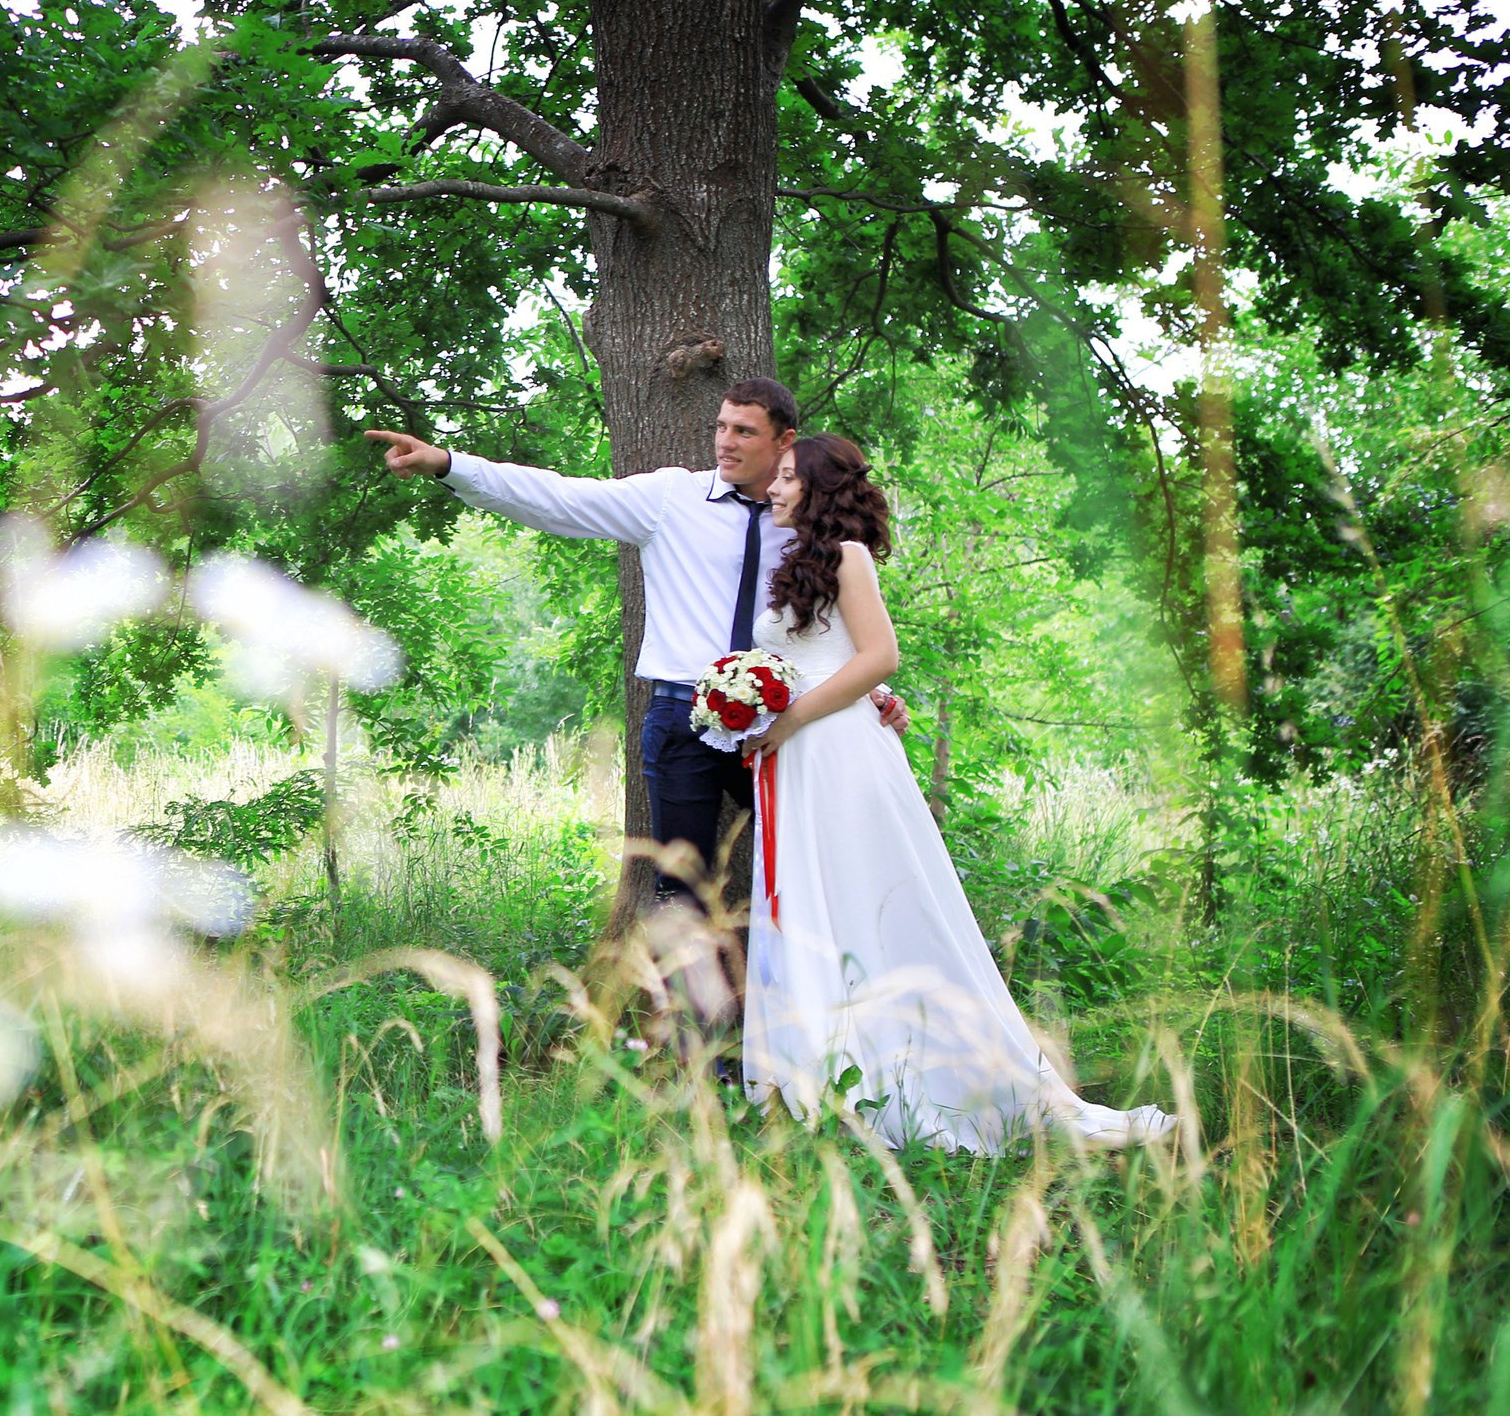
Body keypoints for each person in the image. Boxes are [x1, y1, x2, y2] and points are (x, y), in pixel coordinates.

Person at [738, 434, 1173, 1150]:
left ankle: (895, 1075)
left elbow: (882, 654)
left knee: (856, 898)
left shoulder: (848, 556)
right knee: (815, 902)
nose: (776, 488)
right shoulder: (800, 566)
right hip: (800, 757)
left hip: (837, 757)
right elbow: (845, 663)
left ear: (817, 489)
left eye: (788, 478)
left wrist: (789, 720)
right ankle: (814, 1071)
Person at [364, 379, 906, 920]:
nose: (726, 442)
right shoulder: (671, 497)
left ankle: (822, 988)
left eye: (744, 431)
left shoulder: (804, 523)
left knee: (806, 864)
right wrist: (449, 464)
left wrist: (869, 693)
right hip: (682, 714)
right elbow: (560, 498)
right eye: (721, 427)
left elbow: (825, 625)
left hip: (781, 720)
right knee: (681, 888)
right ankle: (691, 1004)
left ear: (784, 441)